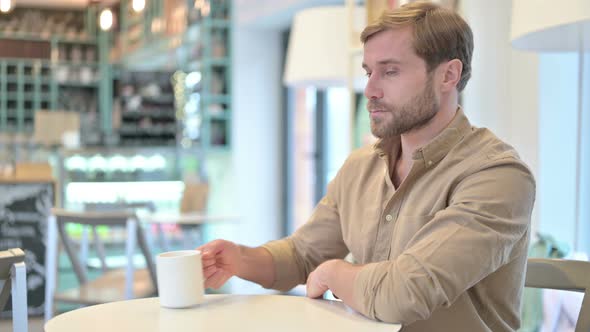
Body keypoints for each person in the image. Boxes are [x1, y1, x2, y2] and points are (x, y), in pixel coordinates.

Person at [198, 2, 536, 331]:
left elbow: (406, 293)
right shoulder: (361, 166)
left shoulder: (497, 176)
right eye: (368, 72)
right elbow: (303, 256)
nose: (370, 90)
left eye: (390, 71)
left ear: (449, 75)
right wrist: (241, 259)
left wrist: (333, 273)